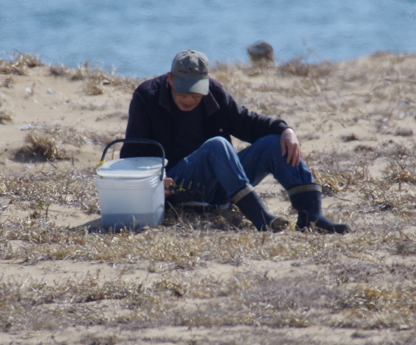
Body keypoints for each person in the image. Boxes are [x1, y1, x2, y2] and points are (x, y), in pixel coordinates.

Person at [120, 50, 349, 233]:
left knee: (273, 142)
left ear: (206, 83)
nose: (189, 99)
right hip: (177, 187)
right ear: (170, 79)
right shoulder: (146, 96)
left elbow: (247, 123)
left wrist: (285, 129)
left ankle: (311, 216)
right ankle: (259, 217)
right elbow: (132, 153)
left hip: (225, 186)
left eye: (196, 93)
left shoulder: (214, 93)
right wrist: (153, 183)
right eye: (183, 92)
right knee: (218, 144)